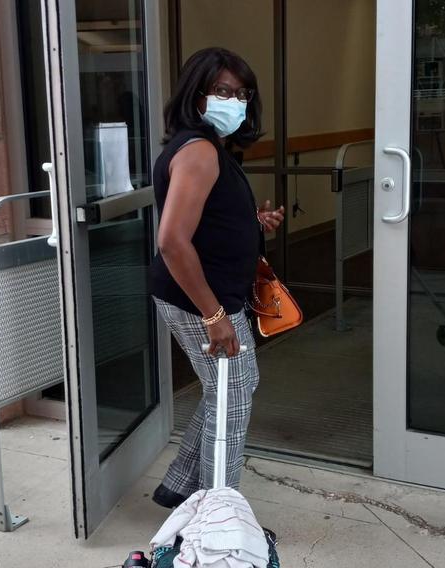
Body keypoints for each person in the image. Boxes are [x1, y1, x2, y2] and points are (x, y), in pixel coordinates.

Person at [149, 47, 284, 508]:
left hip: (210, 293)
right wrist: (214, 316)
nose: (236, 102)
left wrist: (250, 219)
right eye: (223, 91)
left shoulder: (209, 150)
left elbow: (204, 217)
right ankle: (216, 518)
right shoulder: (200, 151)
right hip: (199, 298)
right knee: (234, 394)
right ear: (197, 93)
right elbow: (172, 241)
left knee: (226, 388)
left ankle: (180, 484)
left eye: (242, 93)